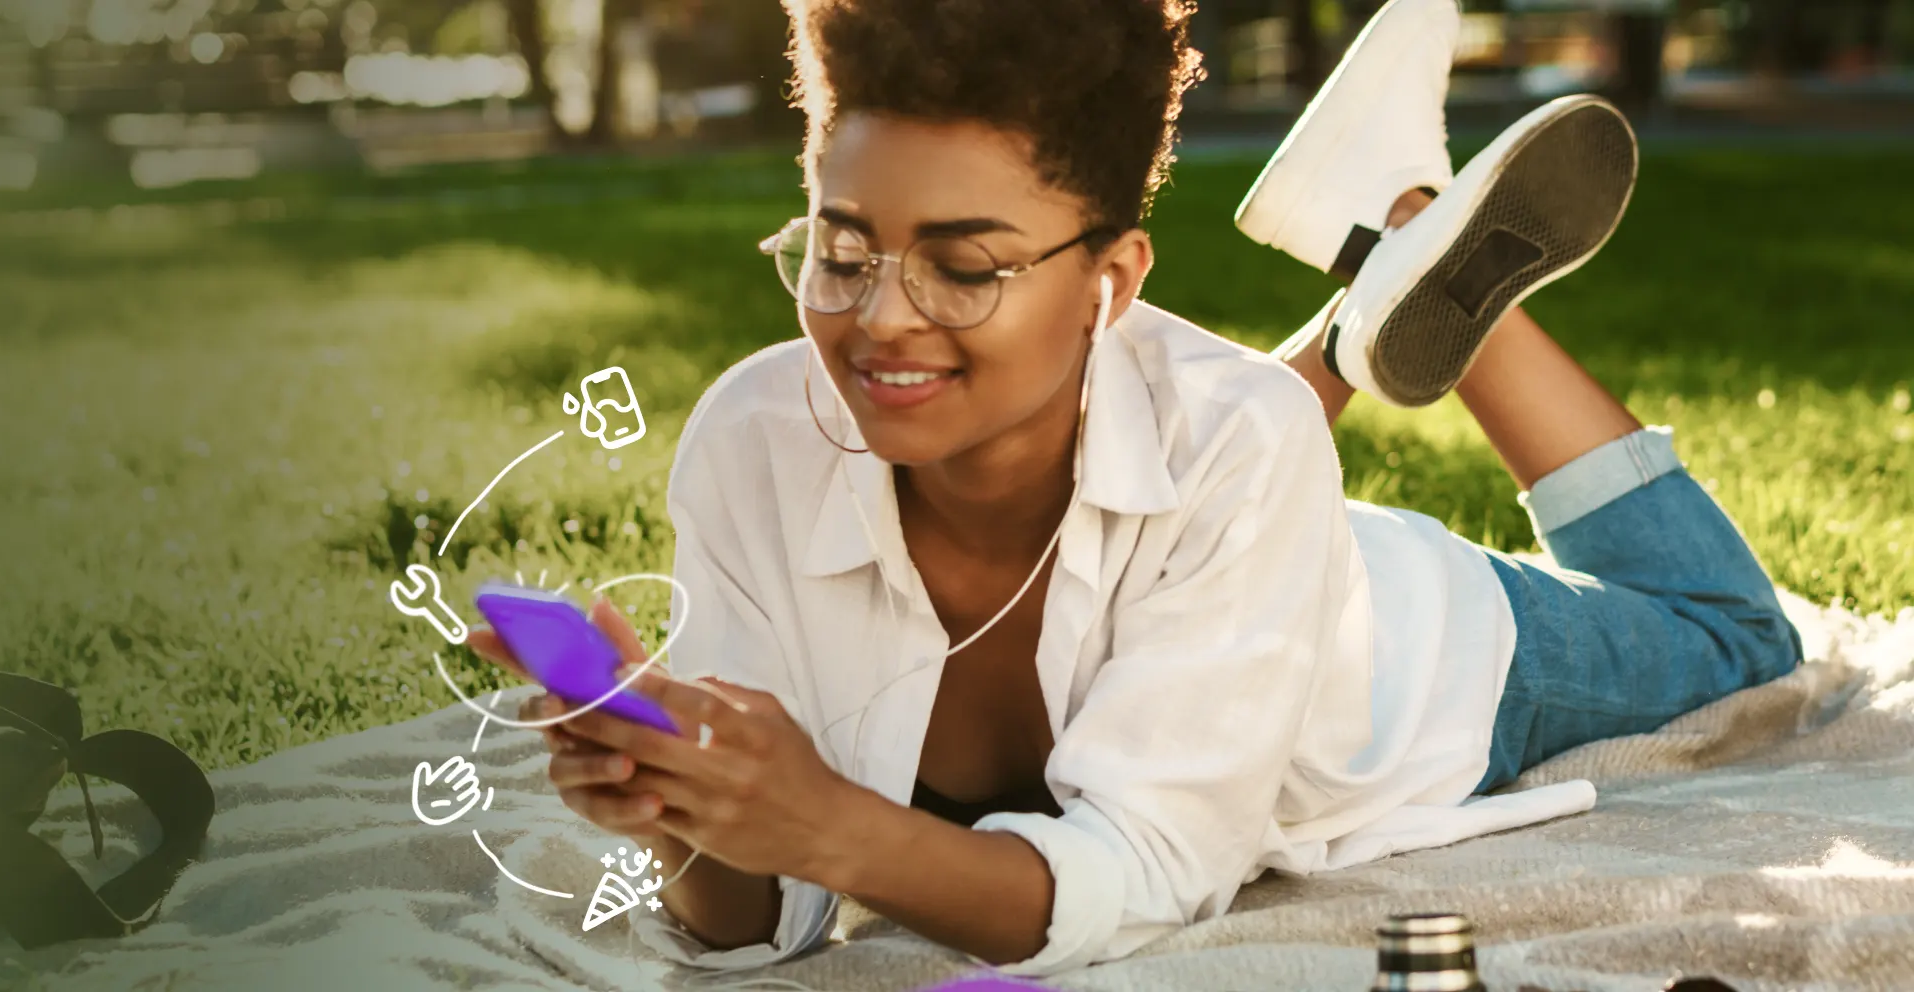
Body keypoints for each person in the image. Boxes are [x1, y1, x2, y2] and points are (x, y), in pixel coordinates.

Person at [465, 0, 1805, 976]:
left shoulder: (1241, 447)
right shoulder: (754, 439)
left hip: (1408, 646)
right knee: (1210, 421)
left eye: (964, 267)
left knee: (1736, 634)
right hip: (1223, 507)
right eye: (843, 250)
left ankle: (1409, 233)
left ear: (1111, 280)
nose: (880, 320)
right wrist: (683, 808)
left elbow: (1150, 874)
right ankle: (1374, 291)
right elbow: (764, 919)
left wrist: (828, 822)